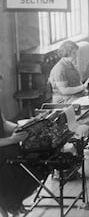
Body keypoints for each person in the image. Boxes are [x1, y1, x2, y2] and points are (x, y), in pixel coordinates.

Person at [0, 75, 48, 216]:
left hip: (4, 146)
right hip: (3, 149)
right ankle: (10, 205)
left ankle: (16, 202)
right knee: (15, 167)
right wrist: (12, 140)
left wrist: (23, 126)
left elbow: (3, 124)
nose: (0, 90)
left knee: (33, 158)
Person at [48, 40, 89, 129]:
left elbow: (76, 82)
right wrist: (83, 86)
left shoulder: (70, 64)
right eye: (74, 53)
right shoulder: (60, 69)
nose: (76, 55)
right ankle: (77, 129)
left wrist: (86, 90)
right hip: (64, 100)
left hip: (74, 96)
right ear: (68, 53)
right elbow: (64, 90)